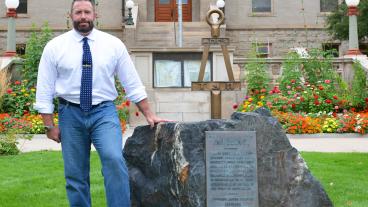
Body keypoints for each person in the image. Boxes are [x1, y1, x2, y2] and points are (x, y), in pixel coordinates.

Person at [34, 0, 168, 206]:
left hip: (103, 113)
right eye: (78, 12)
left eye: (87, 12)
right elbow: (44, 88)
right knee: (75, 173)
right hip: (70, 114)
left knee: (114, 160)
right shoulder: (55, 47)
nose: (83, 16)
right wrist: (49, 125)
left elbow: (132, 82)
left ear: (95, 15)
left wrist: (149, 114)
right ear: (70, 15)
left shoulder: (113, 45)